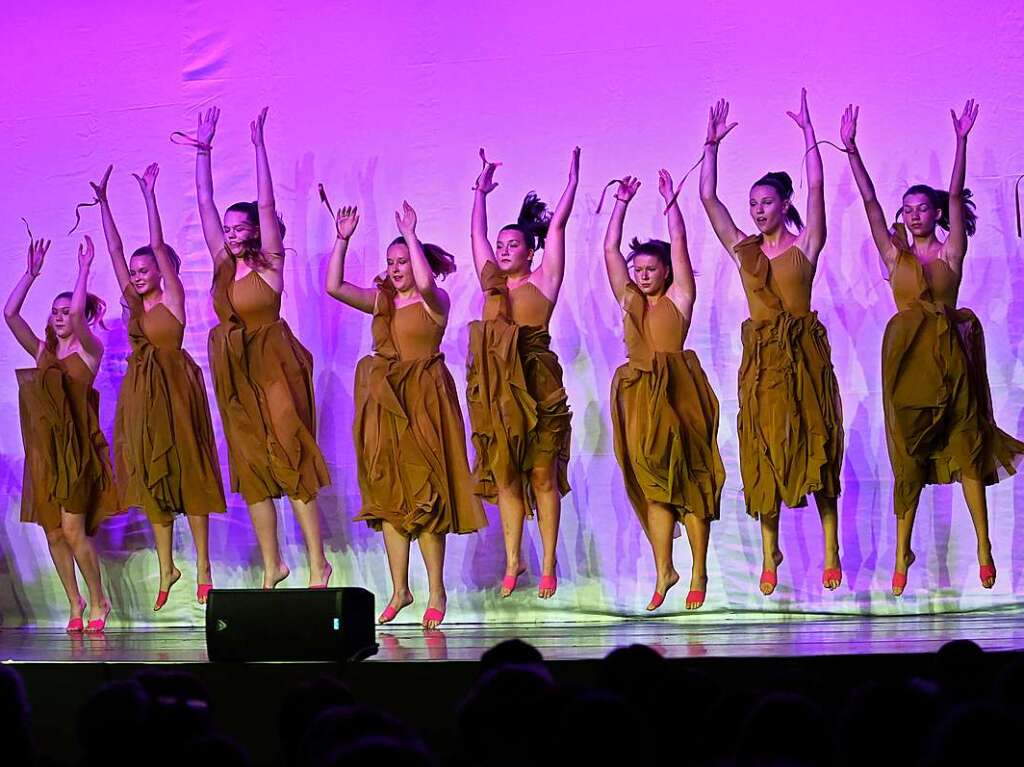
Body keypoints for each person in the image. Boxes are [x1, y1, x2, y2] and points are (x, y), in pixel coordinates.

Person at [840, 100, 1023, 594]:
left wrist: (961, 142)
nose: (914, 215)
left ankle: (984, 546)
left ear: (936, 212)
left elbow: (959, 203)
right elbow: (871, 205)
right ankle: (902, 551)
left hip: (952, 364)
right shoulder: (893, 254)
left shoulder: (950, 251)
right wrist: (853, 150)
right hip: (906, 370)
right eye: (909, 209)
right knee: (909, 460)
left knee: (966, 449)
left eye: (923, 208)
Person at [699, 91, 844, 595]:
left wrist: (809, 132)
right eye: (754, 204)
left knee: (816, 444)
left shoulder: (806, 245)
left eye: (767, 203)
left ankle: (830, 549)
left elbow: (820, 183)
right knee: (762, 450)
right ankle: (769, 553)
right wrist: (711, 145)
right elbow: (709, 202)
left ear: (785, 205)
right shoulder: (745, 251)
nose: (759, 211)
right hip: (762, 361)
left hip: (804, 358)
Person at [325, 201, 486, 628]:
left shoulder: (436, 300)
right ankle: (399, 589)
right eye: (391, 262)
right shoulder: (381, 300)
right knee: (388, 494)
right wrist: (342, 239)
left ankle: (436, 590)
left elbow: (428, 284)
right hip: (385, 401)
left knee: (425, 492)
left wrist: (411, 234)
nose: (396, 269)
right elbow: (335, 287)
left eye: (403, 261)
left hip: (425, 399)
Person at [194, 107, 331, 589]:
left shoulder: (269, 264)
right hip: (235, 369)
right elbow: (205, 205)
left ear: (253, 230)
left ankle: (319, 562)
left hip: (274, 361)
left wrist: (258, 148)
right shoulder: (222, 264)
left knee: (290, 454)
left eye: (239, 228)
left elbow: (268, 206)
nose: (230, 235)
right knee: (252, 466)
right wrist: (204, 150)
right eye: (227, 231)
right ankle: (274, 564)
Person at [90, 162, 226, 610]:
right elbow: (113, 251)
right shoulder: (133, 302)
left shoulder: (173, 296)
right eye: (135, 270)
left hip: (176, 388)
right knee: (151, 476)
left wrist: (149, 196)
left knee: (189, 473)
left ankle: (203, 565)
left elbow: (154, 247)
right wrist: (105, 203)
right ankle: (168, 567)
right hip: (141, 395)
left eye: (146, 267)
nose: (138, 272)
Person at [603, 170, 725, 611]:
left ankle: (698, 570)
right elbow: (610, 250)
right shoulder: (629, 299)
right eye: (639, 271)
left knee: (688, 481)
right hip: (638, 395)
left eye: (651, 269)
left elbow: (680, 244)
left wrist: (671, 202)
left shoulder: (680, 297)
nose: (642, 275)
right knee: (654, 484)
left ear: (666, 272)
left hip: (679, 391)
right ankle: (664, 570)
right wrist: (620, 203)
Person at [467, 147, 579, 598]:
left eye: (514, 244)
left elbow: (557, 227)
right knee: (507, 476)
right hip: (498, 391)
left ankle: (548, 562)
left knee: (541, 476)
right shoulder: (492, 285)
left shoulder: (544, 280)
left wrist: (571, 184)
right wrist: (481, 190)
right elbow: (475, 236)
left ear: (529, 251)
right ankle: (515, 561)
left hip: (539, 385)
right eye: (501, 245)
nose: (504, 250)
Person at [5, 234, 117, 630]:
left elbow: (83, 330)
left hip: (78, 453)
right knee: (53, 532)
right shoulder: (42, 352)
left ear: (81, 316)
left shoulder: (89, 348)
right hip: (46, 454)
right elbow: (10, 315)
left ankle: (99, 599)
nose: (58, 317)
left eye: (67, 311)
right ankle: (75, 602)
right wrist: (31, 274)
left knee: (73, 528)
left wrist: (84, 270)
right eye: (54, 311)